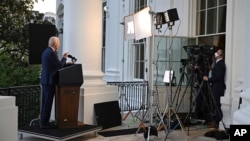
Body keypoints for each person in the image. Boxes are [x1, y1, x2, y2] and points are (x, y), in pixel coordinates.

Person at [40, 36, 69, 129]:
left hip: (46, 80)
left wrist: (64, 63)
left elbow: (54, 65)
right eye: (59, 42)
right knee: (47, 103)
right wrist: (64, 58)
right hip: (49, 81)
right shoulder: (51, 53)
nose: (59, 44)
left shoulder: (46, 51)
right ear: (55, 43)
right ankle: (44, 124)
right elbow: (59, 66)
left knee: (45, 102)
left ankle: (43, 122)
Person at [203, 49, 226, 128]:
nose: (216, 54)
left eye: (218, 53)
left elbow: (218, 77)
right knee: (215, 104)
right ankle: (215, 121)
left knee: (217, 104)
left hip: (218, 87)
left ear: (221, 55)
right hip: (215, 87)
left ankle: (217, 121)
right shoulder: (217, 63)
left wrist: (208, 79)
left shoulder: (220, 64)